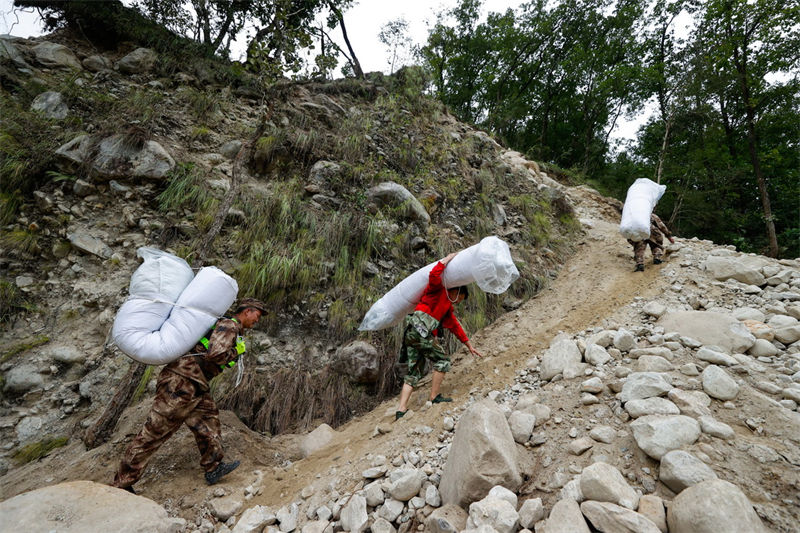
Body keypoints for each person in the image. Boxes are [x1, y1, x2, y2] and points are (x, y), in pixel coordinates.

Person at [111, 298, 267, 493]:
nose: (257, 320)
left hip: (196, 384)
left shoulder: (230, 327)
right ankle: (121, 483)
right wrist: (236, 351)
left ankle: (214, 468)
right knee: (154, 433)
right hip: (180, 382)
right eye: (257, 316)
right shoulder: (229, 325)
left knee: (209, 421)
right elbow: (215, 354)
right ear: (247, 312)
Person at [396, 252, 482, 420]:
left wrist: (468, 345)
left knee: (413, 372)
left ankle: (401, 409)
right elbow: (434, 275)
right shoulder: (437, 290)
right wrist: (447, 259)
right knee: (442, 361)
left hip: (412, 333)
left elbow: (455, 327)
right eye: (460, 298)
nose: (458, 302)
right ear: (457, 290)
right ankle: (434, 397)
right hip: (421, 332)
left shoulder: (447, 309)